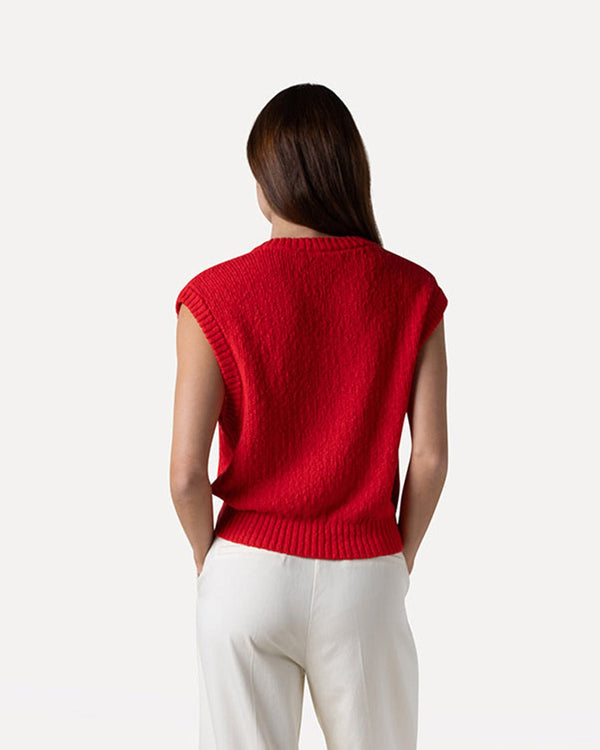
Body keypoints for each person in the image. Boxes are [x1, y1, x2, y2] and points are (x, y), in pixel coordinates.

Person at [170, 82, 448, 750]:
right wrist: (397, 560)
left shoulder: (211, 296)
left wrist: (214, 564)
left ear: (268, 183)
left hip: (246, 571)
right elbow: (432, 457)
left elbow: (185, 476)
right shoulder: (413, 291)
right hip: (365, 573)